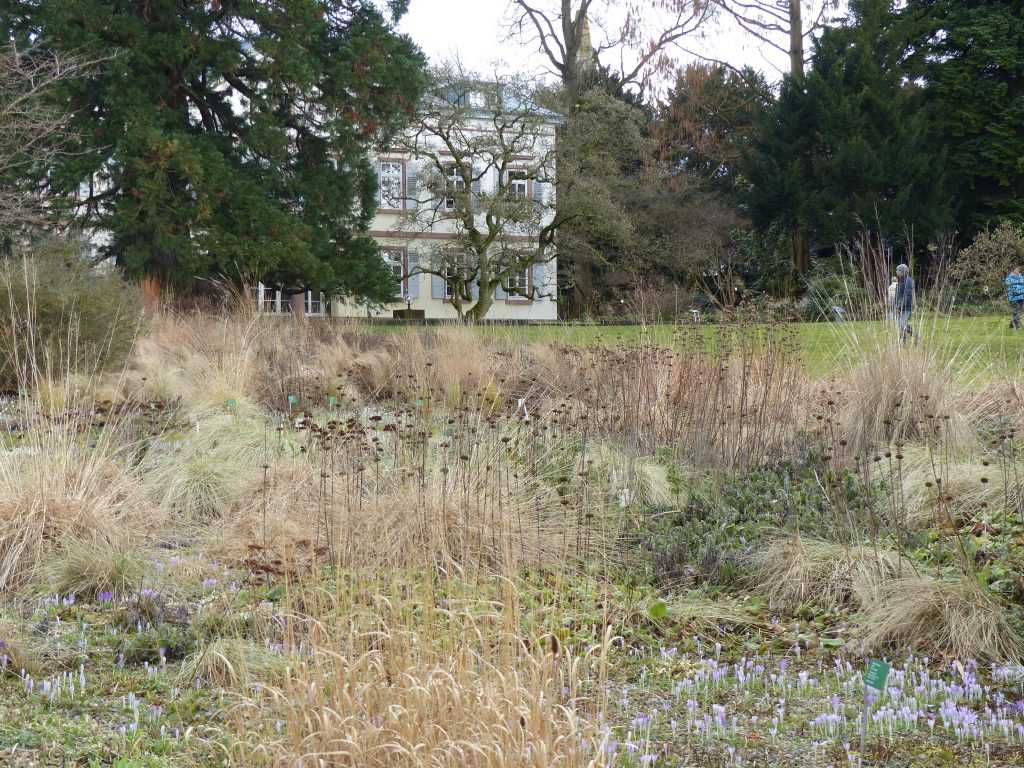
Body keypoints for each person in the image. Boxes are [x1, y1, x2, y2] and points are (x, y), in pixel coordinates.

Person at [894, 264, 914, 343]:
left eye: (897, 270)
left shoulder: (908, 281)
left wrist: (900, 307)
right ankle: (910, 336)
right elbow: (898, 294)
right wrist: (896, 306)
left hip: (906, 308)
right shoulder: (900, 280)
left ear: (902, 272)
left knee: (901, 324)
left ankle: (904, 341)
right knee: (901, 324)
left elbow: (907, 296)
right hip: (900, 307)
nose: (896, 272)